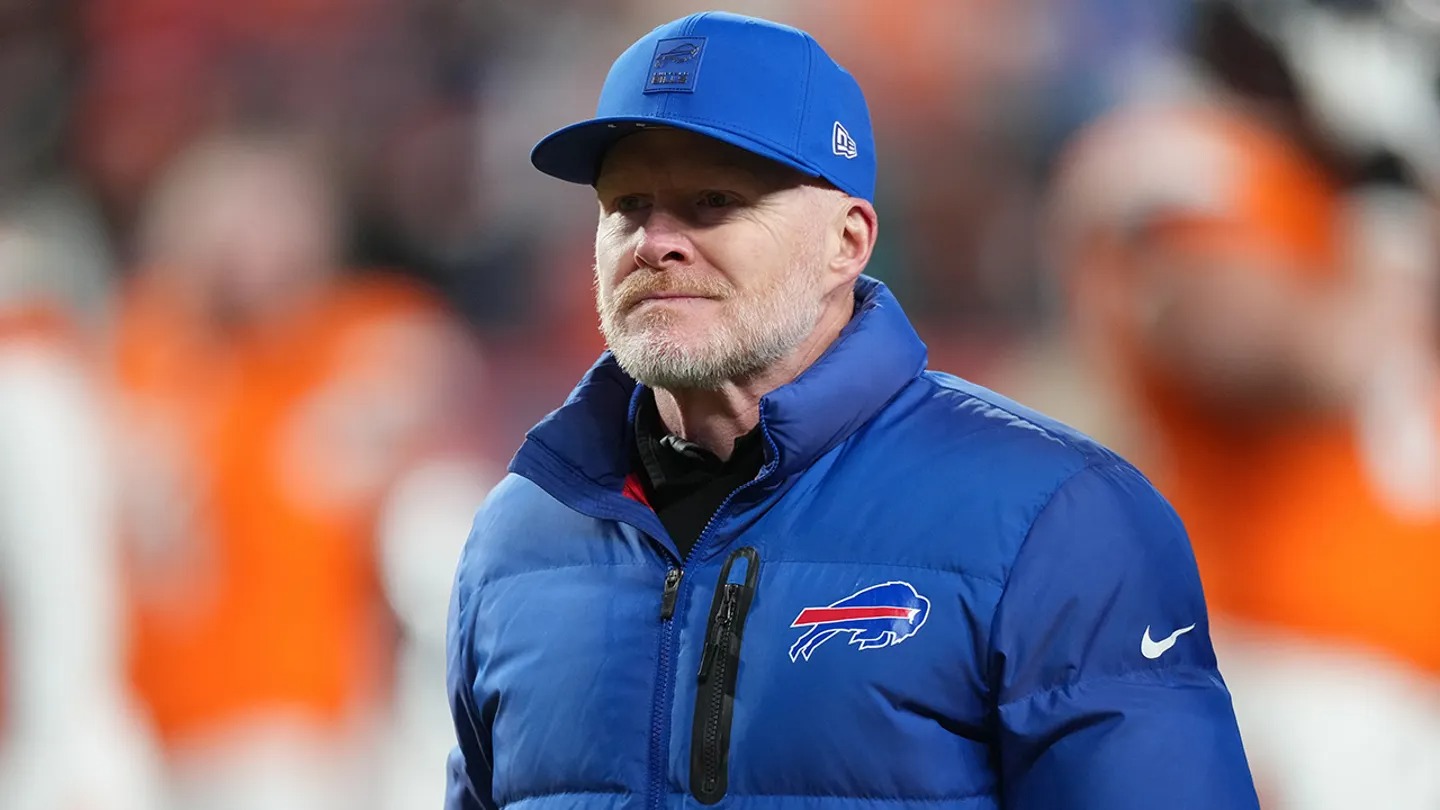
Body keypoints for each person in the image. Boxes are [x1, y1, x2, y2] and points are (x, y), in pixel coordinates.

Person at [445, 11, 1259, 810]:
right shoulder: (520, 535)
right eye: (626, 207)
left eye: (713, 202)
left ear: (847, 242)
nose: (654, 243)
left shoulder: (1058, 518)